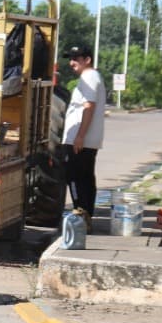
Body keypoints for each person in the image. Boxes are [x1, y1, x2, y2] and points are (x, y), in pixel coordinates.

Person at [59, 44, 106, 218]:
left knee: (74, 177)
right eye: (70, 59)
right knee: (84, 178)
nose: (72, 63)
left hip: (79, 140)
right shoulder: (91, 77)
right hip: (83, 139)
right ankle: (85, 215)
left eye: (76, 59)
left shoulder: (89, 76)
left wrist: (79, 136)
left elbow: (89, 106)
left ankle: (80, 213)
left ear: (87, 60)